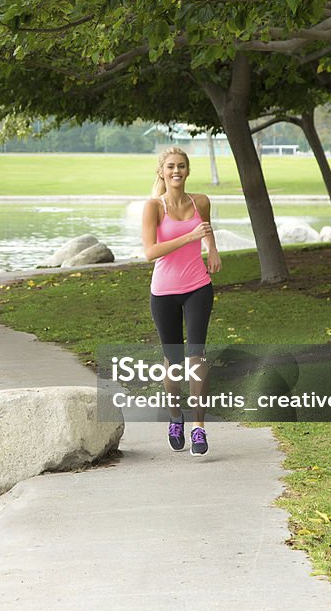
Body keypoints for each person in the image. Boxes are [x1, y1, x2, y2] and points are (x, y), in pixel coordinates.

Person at [141, 147, 221, 455]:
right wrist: (190, 238)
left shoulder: (200, 201)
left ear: (188, 171)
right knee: (173, 363)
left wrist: (212, 250)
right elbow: (150, 252)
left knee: (196, 357)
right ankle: (176, 418)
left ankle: (199, 428)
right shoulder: (154, 207)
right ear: (162, 171)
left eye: (182, 166)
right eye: (171, 166)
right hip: (164, 293)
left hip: (198, 287)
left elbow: (206, 227)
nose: (177, 171)